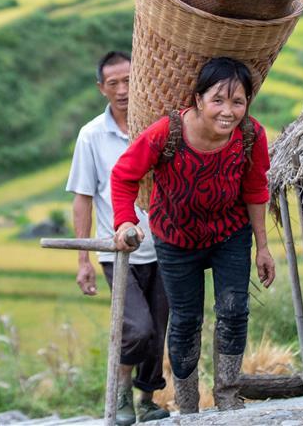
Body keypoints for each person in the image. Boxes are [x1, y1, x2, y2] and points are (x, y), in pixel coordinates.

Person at [110, 56, 276, 414]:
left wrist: (263, 247)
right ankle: (188, 406)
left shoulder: (251, 136)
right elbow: (124, 176)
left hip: (229, 234)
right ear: (197, 100)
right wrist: (125, 221)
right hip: (176, 240)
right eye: (218, 100)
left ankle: (228, 396)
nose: (228, 111)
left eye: (238, 101)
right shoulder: (166, 134)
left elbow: (256, 190)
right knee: (186, 320)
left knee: (234, 310)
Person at [65, 51, 170, 425]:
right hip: (118, 253)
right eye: (114, 84)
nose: (123, 90)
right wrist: (83, 261)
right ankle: (122, 391)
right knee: (137, 329)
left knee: (159, 331)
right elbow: (82, 198)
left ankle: (147, 400)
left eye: (129, 80)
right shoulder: (91, 135)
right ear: (101, 88)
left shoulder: (159, 126)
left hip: (165, 249)